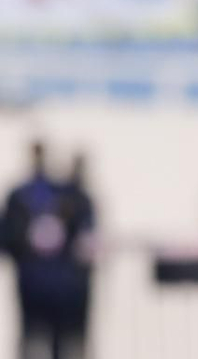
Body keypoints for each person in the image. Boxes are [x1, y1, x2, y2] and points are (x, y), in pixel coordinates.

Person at [0, 143, 95, 359]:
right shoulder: (22, 197)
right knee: (36, 343)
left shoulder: (75, 198)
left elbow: (87, 243)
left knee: (64, 345)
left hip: (65, 293)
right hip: (41, 290)